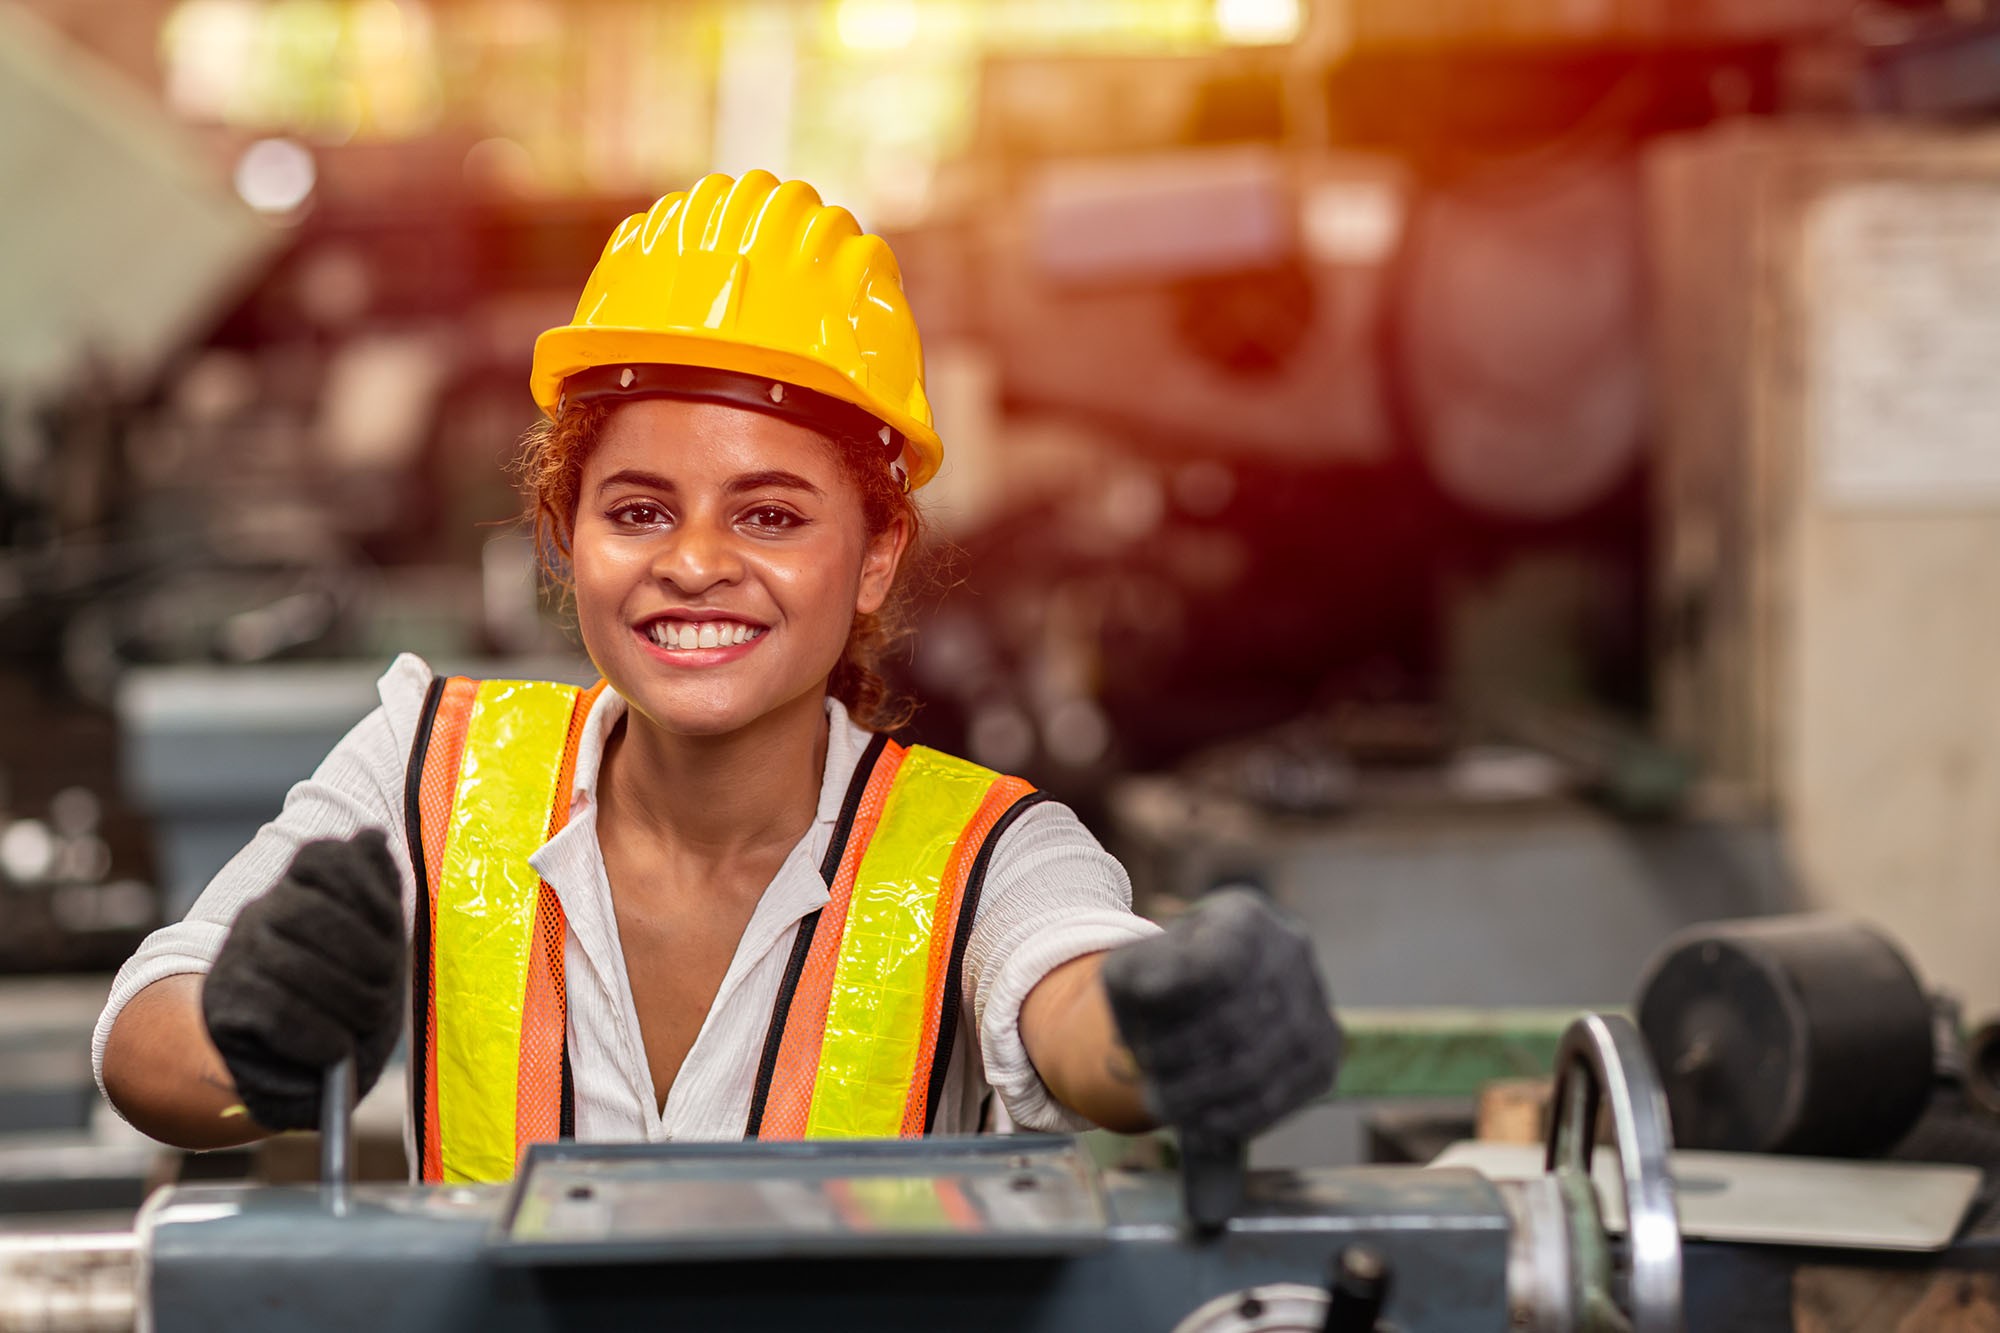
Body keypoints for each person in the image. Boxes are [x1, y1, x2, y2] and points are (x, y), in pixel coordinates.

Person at [94, 171, 1338, 1182]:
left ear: (874, 556)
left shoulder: (990, 852)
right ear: (562, 533)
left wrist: (1174, 1020)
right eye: (637, 509)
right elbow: (146, 1036)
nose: (693, 564)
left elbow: (1077, 1002)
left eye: (771, 517)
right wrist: (252, 1035)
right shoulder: (427, 763)